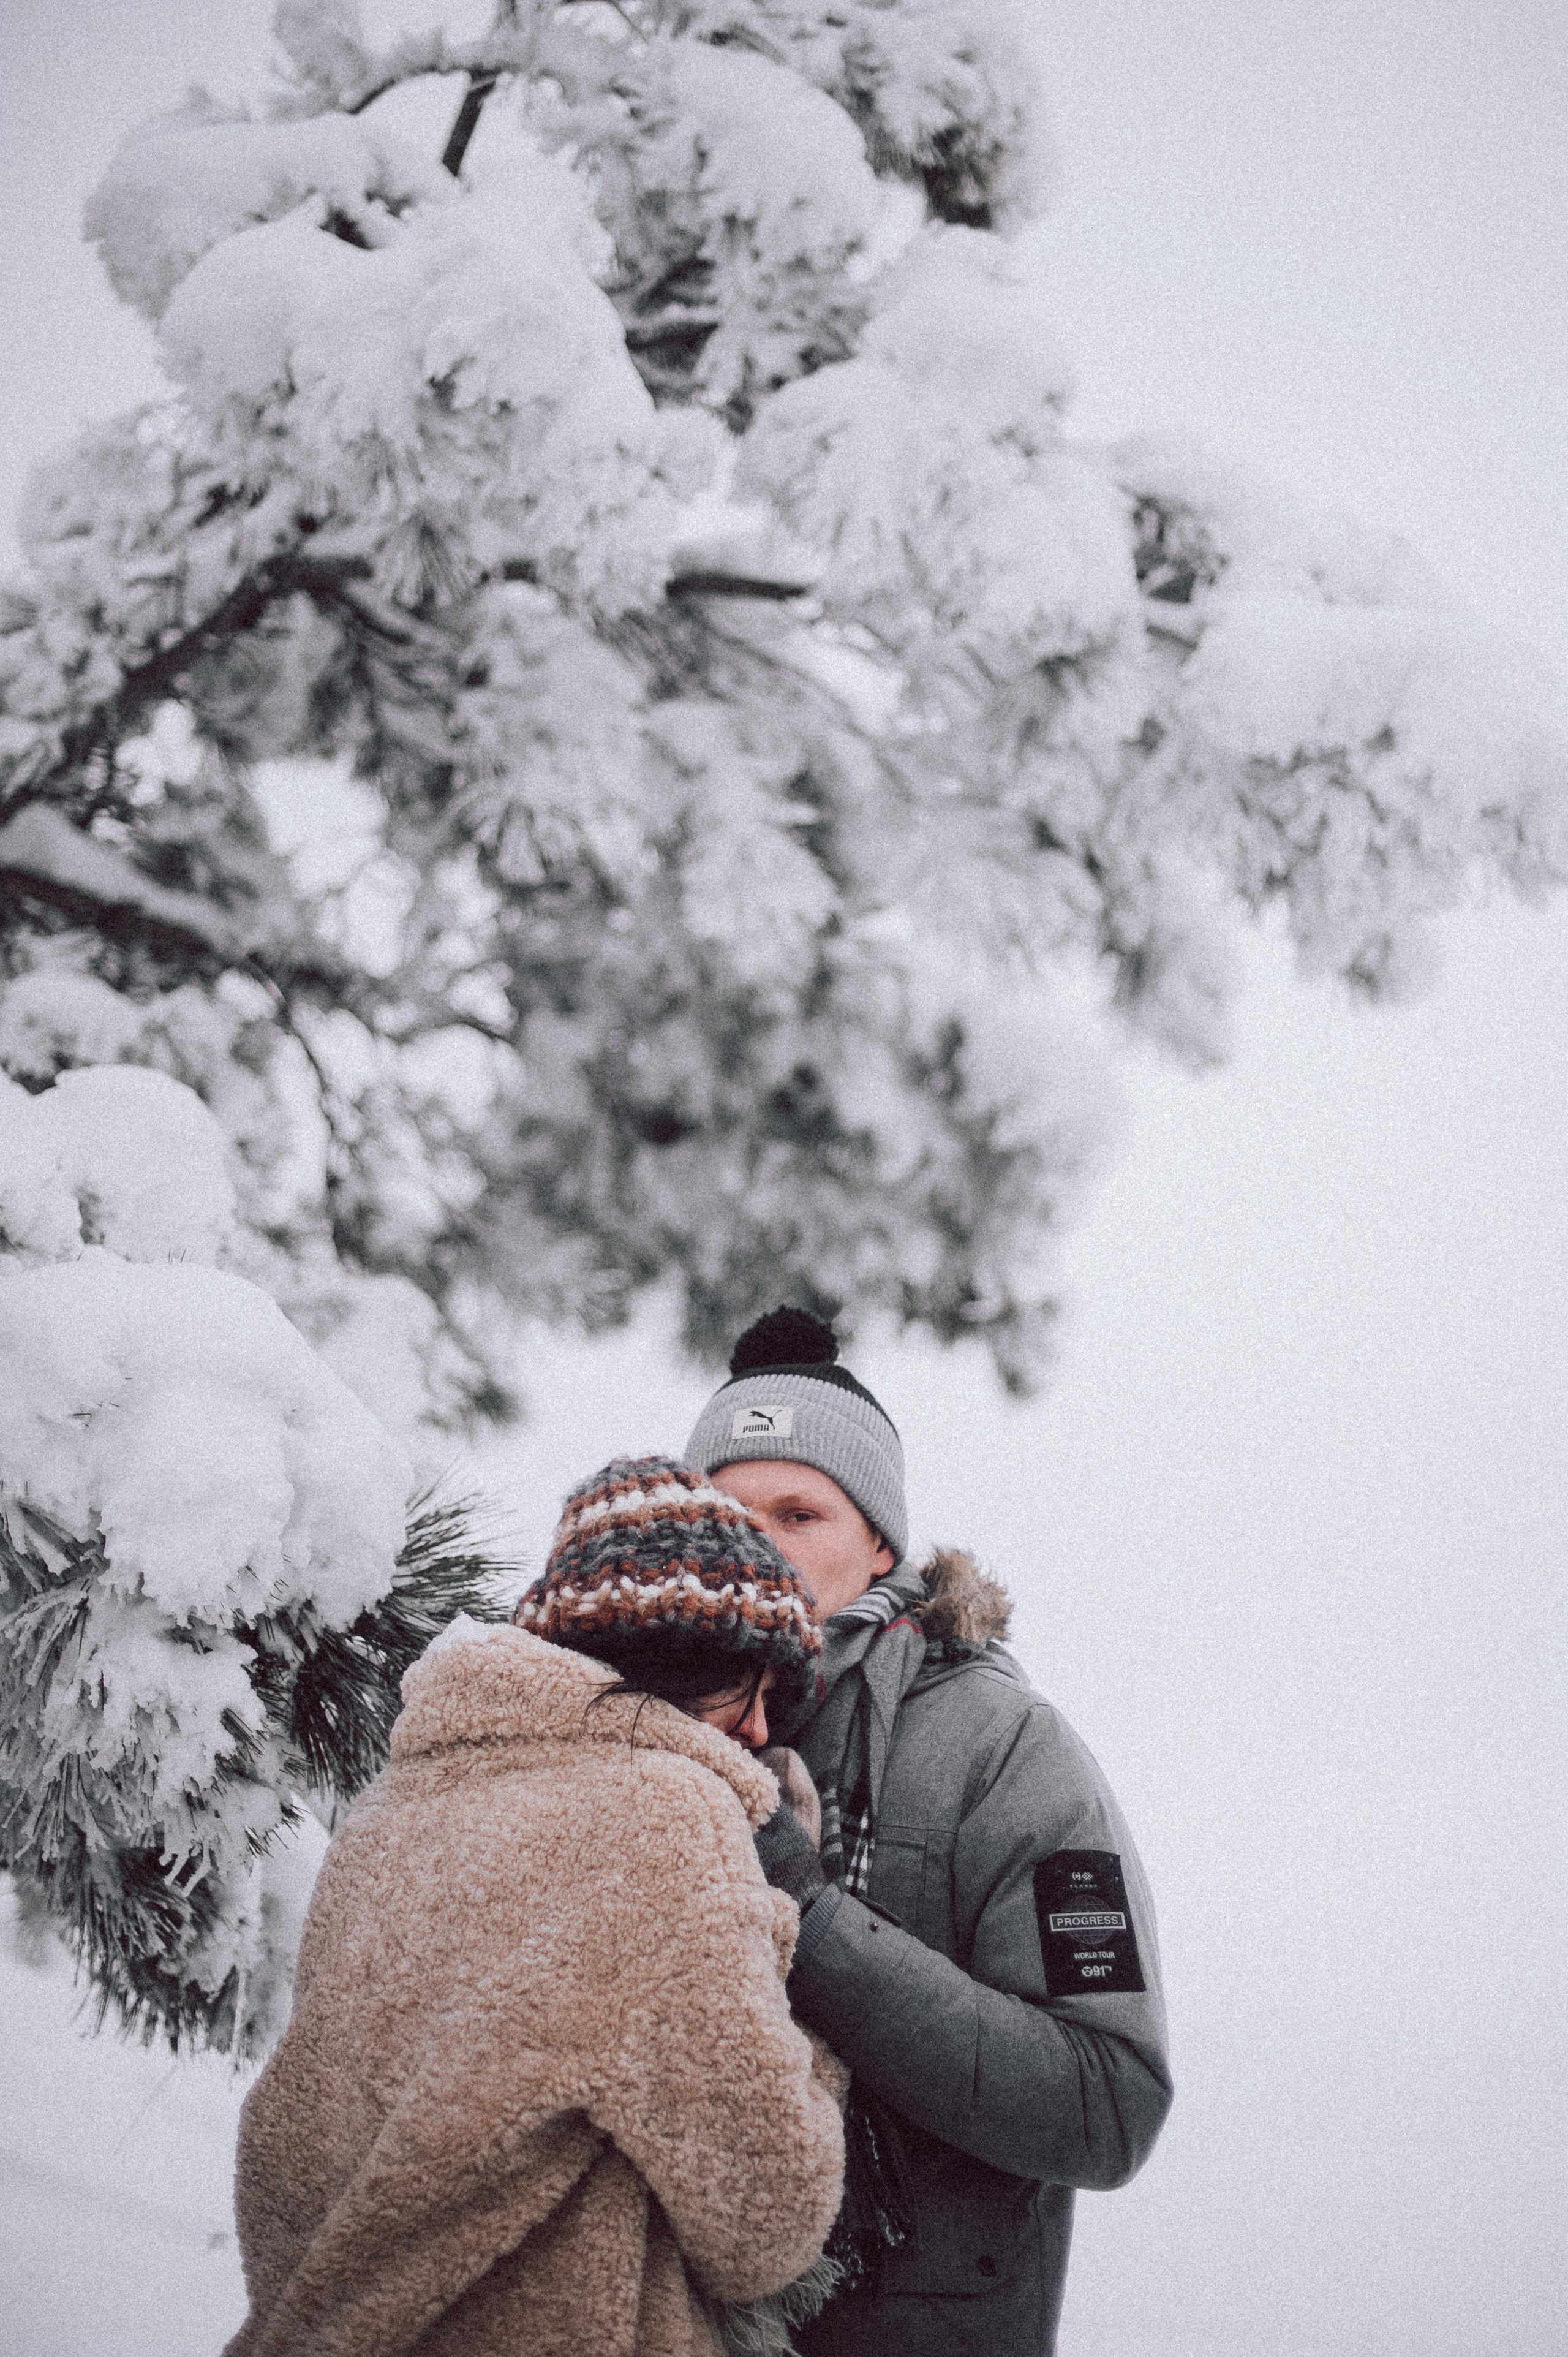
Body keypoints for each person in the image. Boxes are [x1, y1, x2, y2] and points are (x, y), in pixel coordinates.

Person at [225, 1457, 846, 2357]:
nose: (760, 1728)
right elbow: (765, 2215)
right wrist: (808, 2021)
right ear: (672, 1659)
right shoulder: (665, 1814)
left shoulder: (390, 1808)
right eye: (751, 1683)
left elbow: (298, 2144)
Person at [684, 1308, 1175, 2357]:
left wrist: (807, 1923)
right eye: (724, 1514)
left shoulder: (1004, 1745)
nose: (756, 1548)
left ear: (880, 1544)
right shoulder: (634, 1727)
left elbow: (1106, 2103)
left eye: (799, 1512)